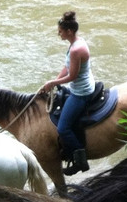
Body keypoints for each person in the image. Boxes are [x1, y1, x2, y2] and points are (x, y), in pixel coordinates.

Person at [39, 11, 95, 175]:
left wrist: (52, 83)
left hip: (81, 92)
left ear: (69, 31)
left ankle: (80, 160)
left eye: (61, 30)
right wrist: (54, 81)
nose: (59, 33)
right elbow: (67, 67)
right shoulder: (76, 43)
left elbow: (73, 76)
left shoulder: (76, 50)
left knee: (63, 128)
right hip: (81, 85)